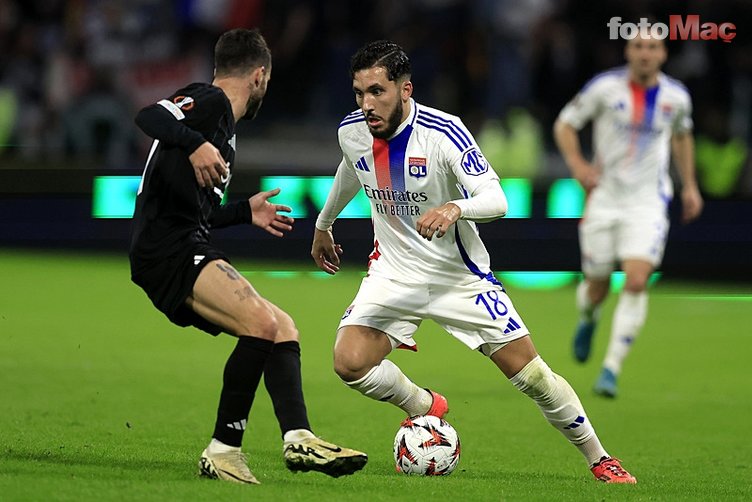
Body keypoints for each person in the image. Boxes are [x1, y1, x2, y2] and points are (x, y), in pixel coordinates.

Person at [311, 40, 636, 484]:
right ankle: (424, 406)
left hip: (457, 278)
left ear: (405, 90)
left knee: (533, 376)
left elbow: (497, 198)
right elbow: (352, 165)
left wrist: (455, 208)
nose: (367, 104)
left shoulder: (444, 133)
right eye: (359, 93)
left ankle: (599, 458)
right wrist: (324, 223)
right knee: (348, 362)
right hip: (393, 272)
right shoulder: (352, 131)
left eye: (377, 92)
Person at [129, 28, 367, 485]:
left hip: (182, 243)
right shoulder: (212, 103)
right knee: (260, 324)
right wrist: (193, 142)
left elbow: (195, 208)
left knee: (282, 328)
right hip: (169, 249)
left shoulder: (220, 124)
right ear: (259, 75)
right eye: (268, 79)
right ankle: (222, 451)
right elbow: (148, 115)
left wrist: (244, 211)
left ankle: (299, 438)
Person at [553, 31, 703, 398]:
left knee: (636, 280)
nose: (645, 53)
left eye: (652, 47)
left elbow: (682, 136)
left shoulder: (676, 96)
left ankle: (611, 369)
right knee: (598, 283)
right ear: (628, 51)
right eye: (638, 46)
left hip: (648, 202)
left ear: (663, 53)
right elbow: (565, 124)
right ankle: (588, 317)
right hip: (604, 198)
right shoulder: (604, 88)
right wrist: (577, 165)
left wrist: (690, 185)